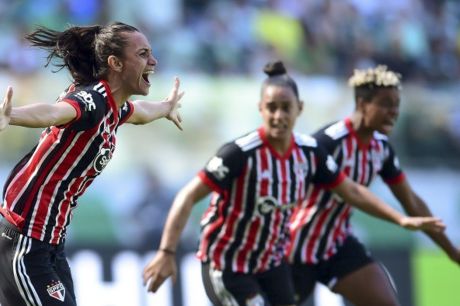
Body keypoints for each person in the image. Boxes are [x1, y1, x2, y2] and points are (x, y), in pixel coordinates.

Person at [142, 61, 444, 306]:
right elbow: (187, 195)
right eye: (271, 107)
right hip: (228, 264)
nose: (278, 115)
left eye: (285, 107)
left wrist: (400, 218)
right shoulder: (239, 153)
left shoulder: (310, 153)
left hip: (272, 263)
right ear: (261, 109)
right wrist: (166, 252)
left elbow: (351, 190)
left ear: (299, 108)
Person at [0, 22, 184, 306]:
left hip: (48, 243)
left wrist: (164, 108)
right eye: (143, 54)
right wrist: (12, 116)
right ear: (116, 63)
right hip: (26, 238)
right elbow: (54, 112)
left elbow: (138, 113)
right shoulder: (91, 102)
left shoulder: (114, 106)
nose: (153, 61)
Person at [287, 65, 460, 306]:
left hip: (337, 245)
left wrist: (451, 251)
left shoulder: (382, 149)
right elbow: (289, 184)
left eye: (396, 105)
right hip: (295, 248)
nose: (393, 112)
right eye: (385, 104)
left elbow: (410, 202)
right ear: (361, 104)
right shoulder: (328, 141)